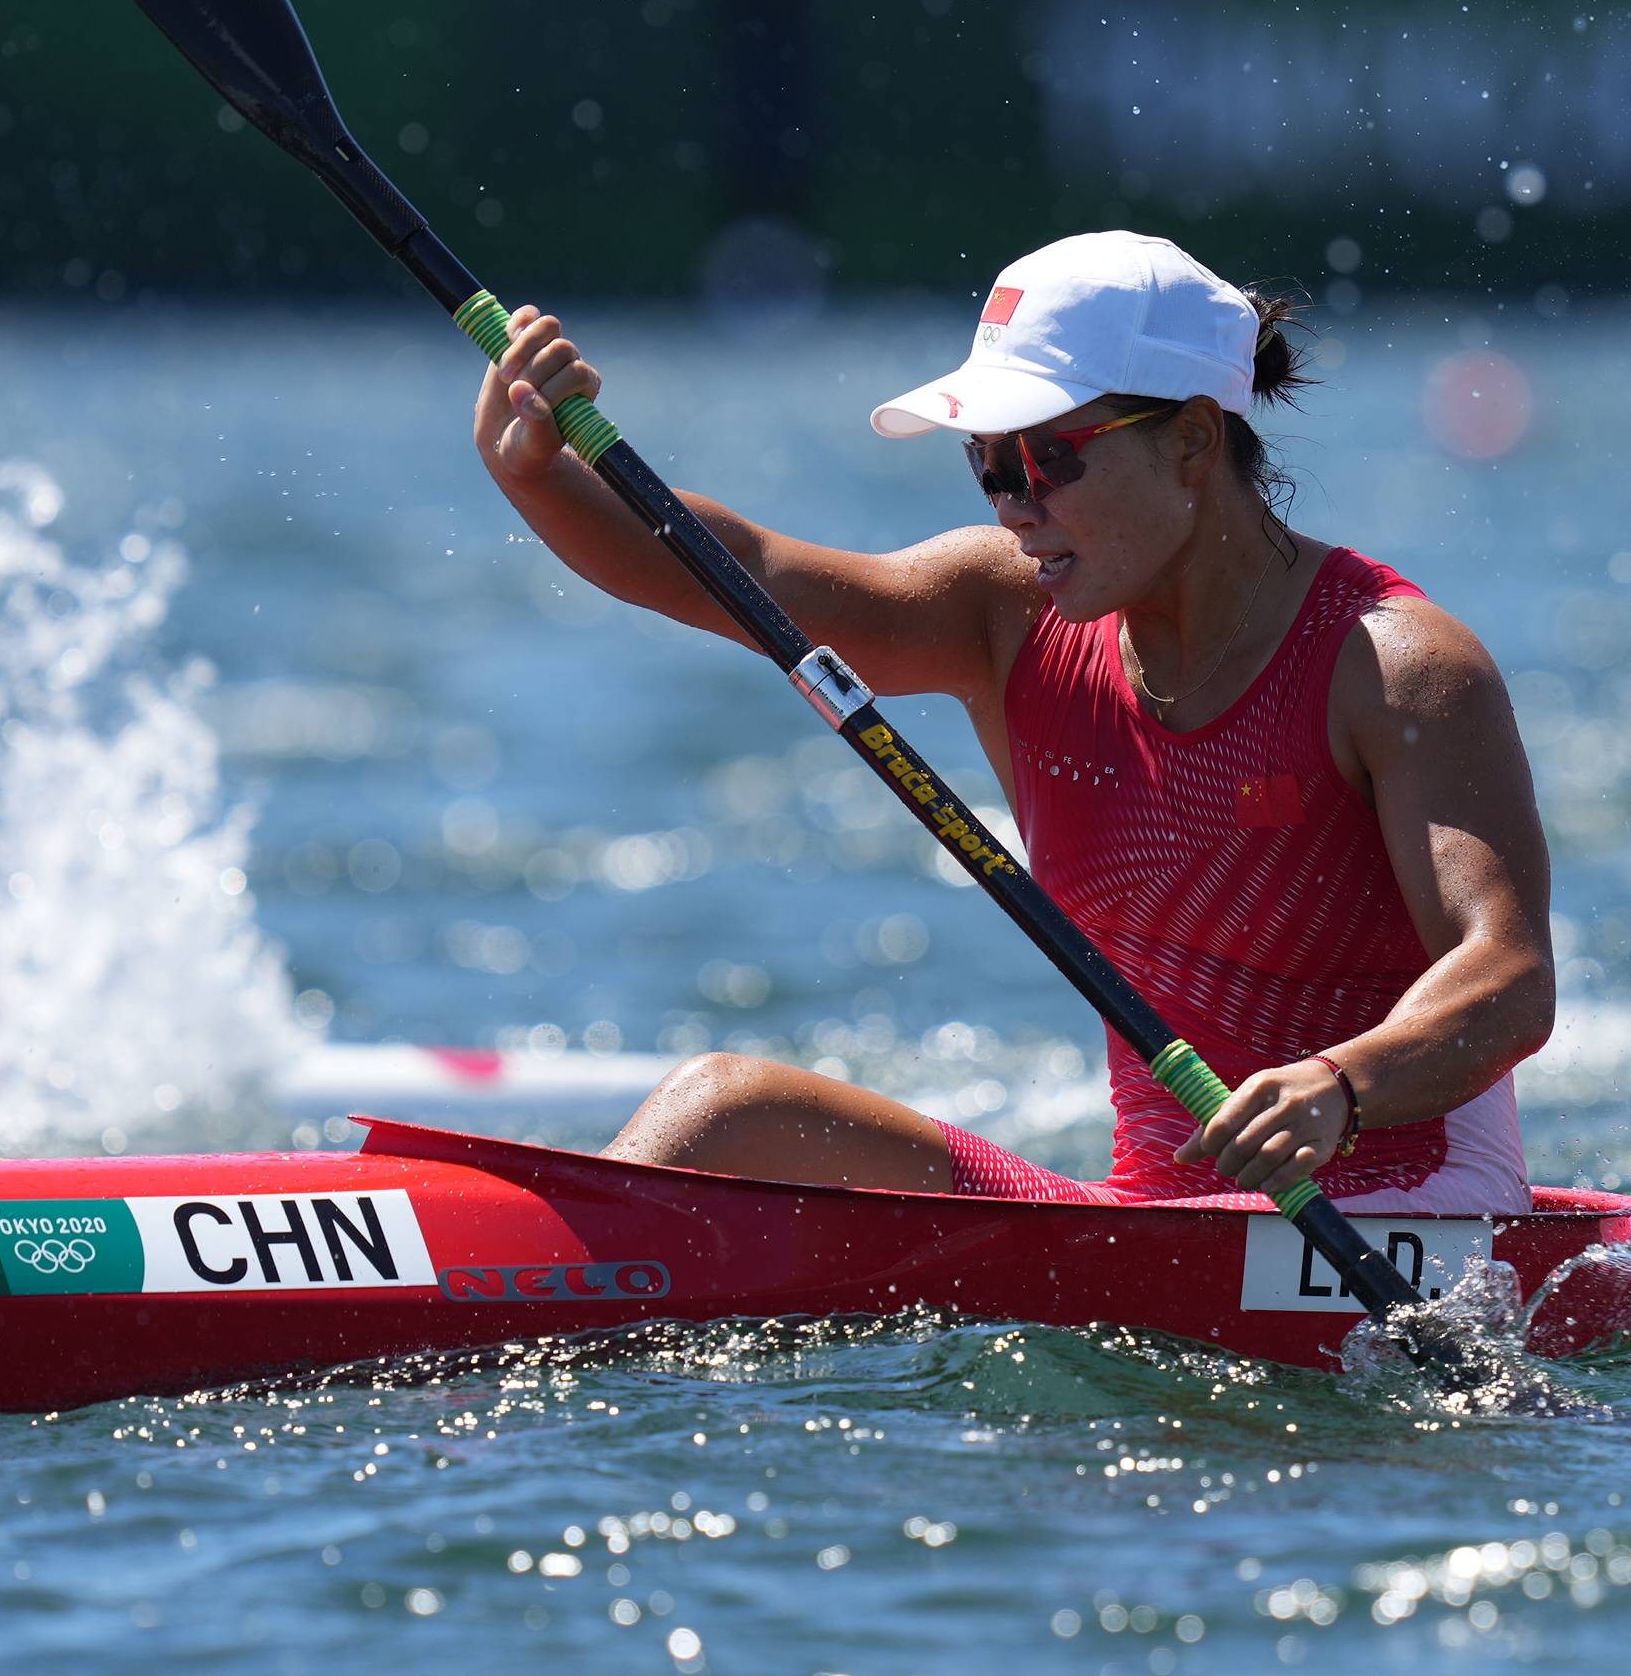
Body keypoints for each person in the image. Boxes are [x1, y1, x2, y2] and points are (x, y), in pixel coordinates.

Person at [471, 229, 1553, 1210]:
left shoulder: (1396, 666)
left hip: (1411, 1212)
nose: (1015, 505)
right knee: (722, 1110)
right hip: (1157, 1221)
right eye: (988, 464)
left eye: (1049, 458)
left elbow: (1508, 978)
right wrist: (540, 474)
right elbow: (742, 573)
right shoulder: (1004, 614)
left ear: (1190, 440)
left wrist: (1340, 1086)